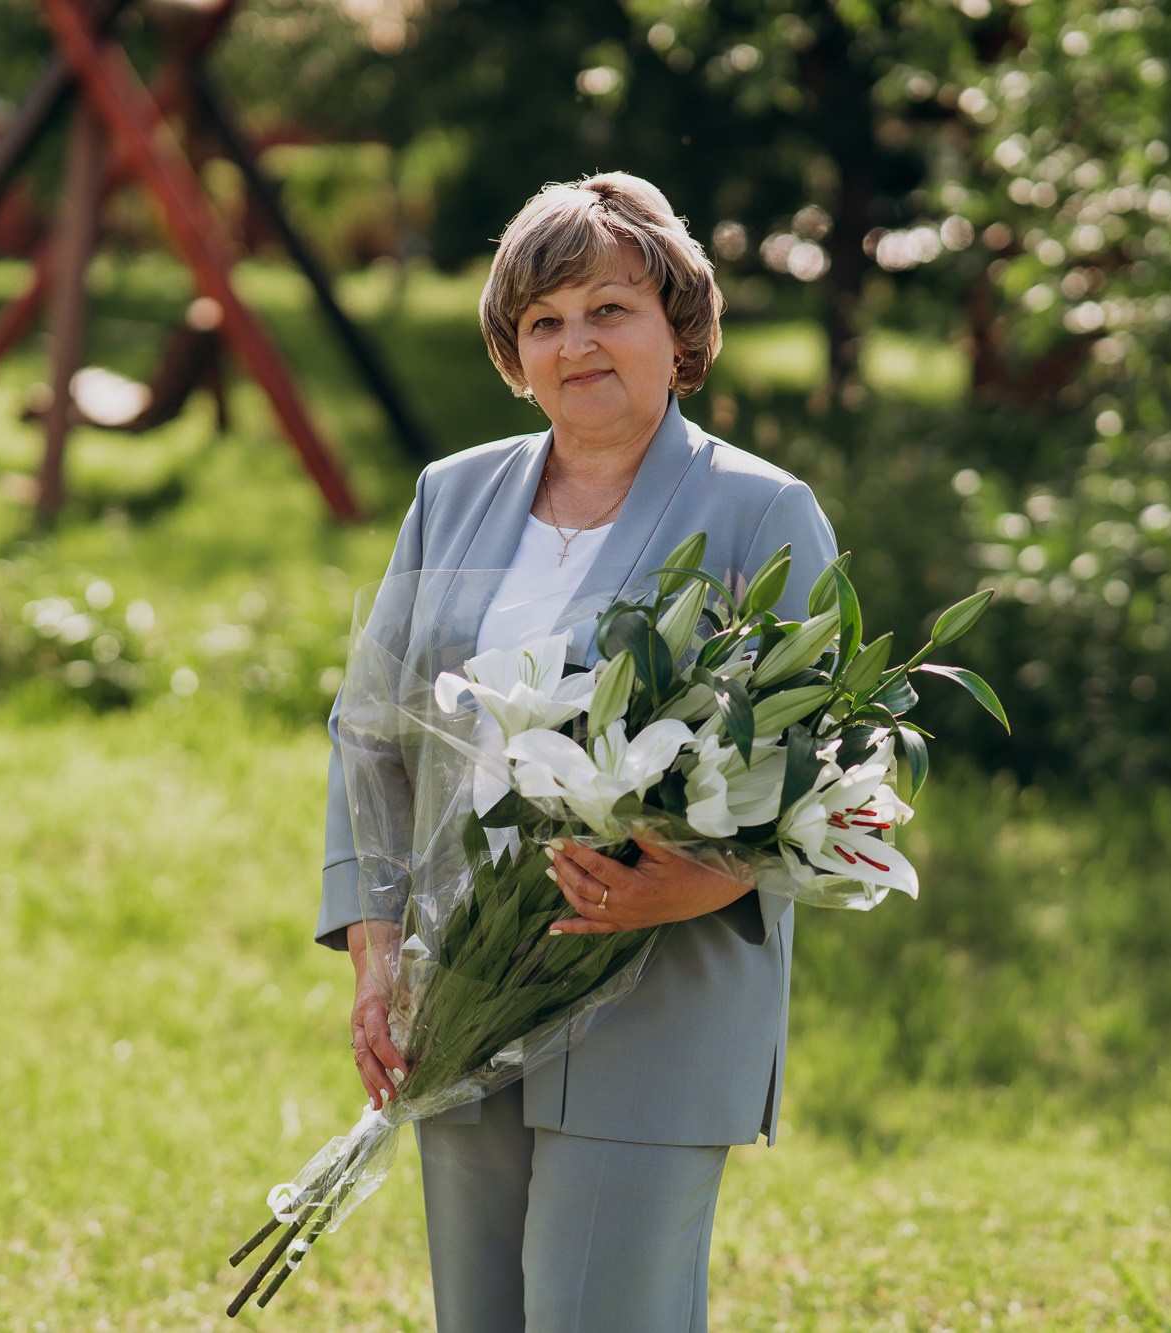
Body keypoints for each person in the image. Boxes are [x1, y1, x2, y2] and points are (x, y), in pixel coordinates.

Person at [314, 172, 837, 1333]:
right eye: (542, 321)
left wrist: (703, 879)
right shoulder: (449, 495)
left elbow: (831, 764)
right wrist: (375, 954)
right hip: (465, 987)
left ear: (677, 327)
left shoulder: (764, 512)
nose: (575, 343)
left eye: (608, 308)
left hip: (660, 992)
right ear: (514, 350)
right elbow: (370, 734)